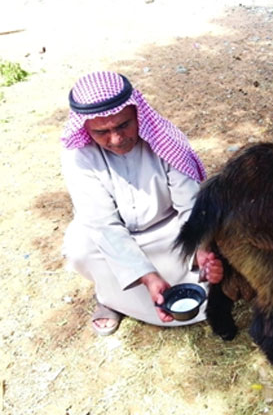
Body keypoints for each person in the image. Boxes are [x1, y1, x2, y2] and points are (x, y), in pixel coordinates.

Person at [61, 71, 223, 335]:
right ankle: (110, 298)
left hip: (170, 231)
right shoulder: (78, 157)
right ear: (86, 129)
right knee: (80, 248)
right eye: (102, 132)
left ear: (138, 114)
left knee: (214, 269)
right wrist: (147, 276)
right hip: (111, 239)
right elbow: (103, 225)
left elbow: (190, 206)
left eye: (124, 125)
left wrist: (200, 248)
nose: (116, 139)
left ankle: (131, 292)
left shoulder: (165, 141)